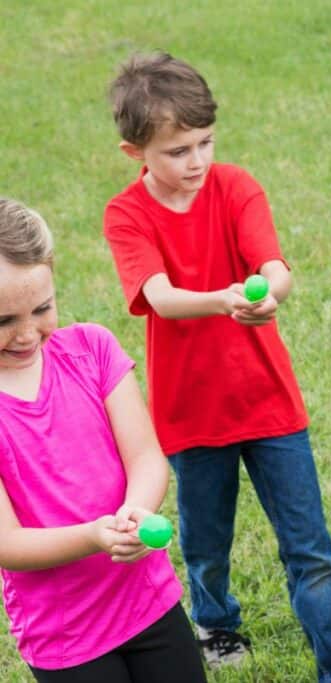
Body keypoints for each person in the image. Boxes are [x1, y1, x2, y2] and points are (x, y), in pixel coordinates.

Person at [102, 53, 331, 683]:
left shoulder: (235, 186)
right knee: (205, 546)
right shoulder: (127, 216)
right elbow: (162, 298)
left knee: (310, 550)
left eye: (205, 143)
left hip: (271, 404)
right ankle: (217, 620)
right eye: (177, 150)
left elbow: (275, 267)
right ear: (134, 151)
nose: (196, 162)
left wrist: (268, 293)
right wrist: (225, 299)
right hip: (191, 415)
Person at [0, 198, 207, 683]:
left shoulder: (92, 349)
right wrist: (94, 537)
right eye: (3, 321)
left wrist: (136, 510)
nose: (28, 333)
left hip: (148, 600)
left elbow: (147, 458)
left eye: (42, 308)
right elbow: (6, 543)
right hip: (66, 635)